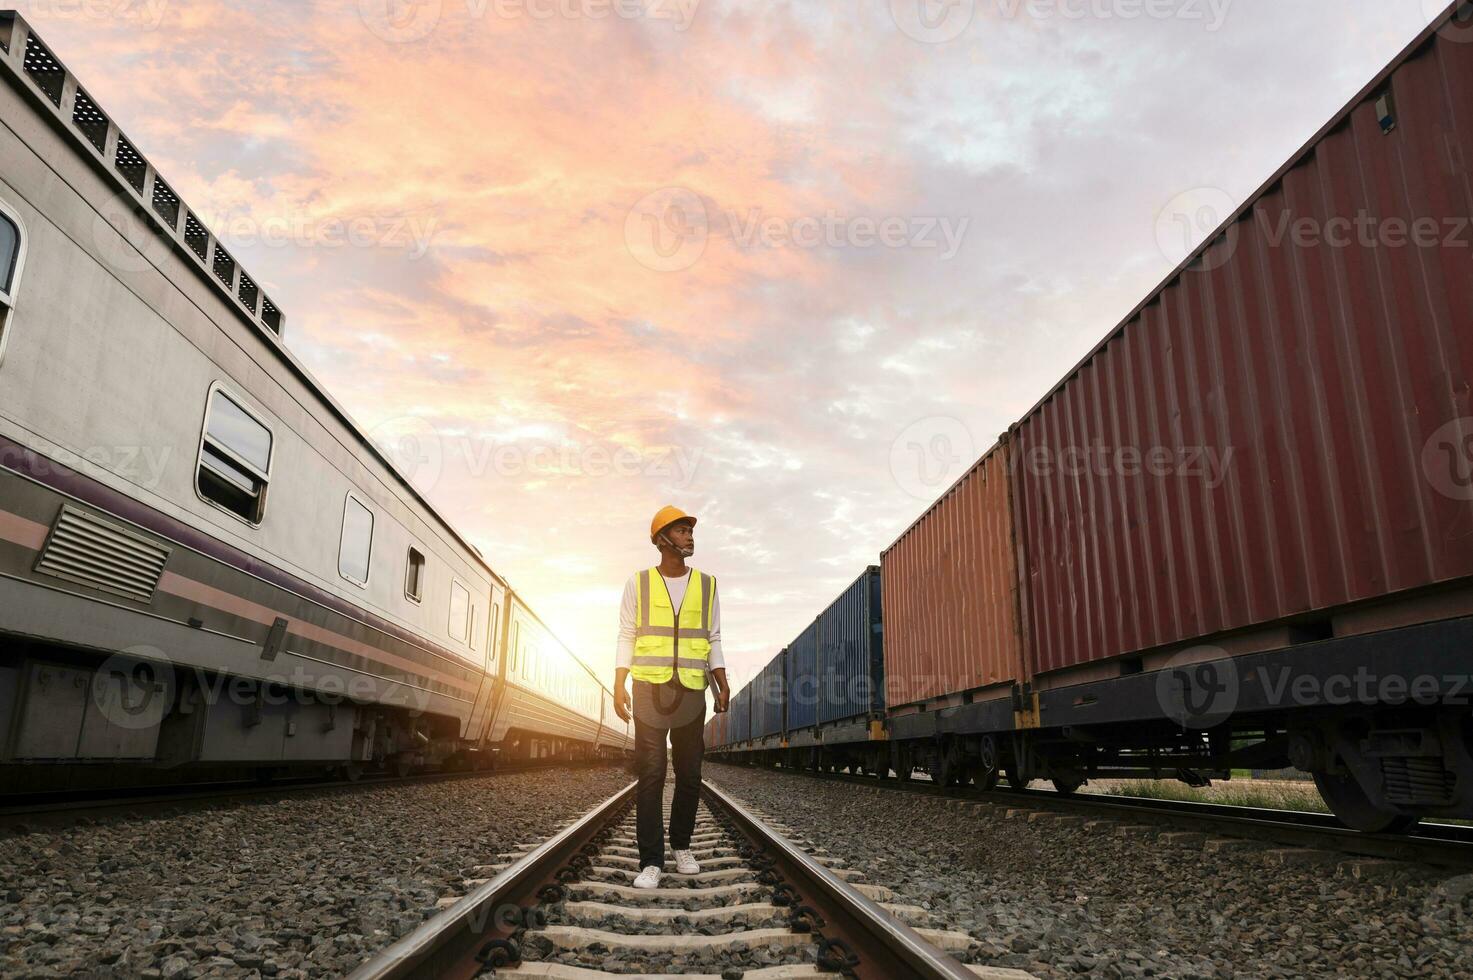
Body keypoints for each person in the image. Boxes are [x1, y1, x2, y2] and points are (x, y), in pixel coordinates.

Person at [613, 505, 730, 889]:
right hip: (648, 686)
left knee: (690, 773)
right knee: (651, 774)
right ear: (662, 539)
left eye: (690, 531)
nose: (689, 536)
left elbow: (712, 637)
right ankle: (651, 862)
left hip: (691, 689)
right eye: (681, 531)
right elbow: (626, 635)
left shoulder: (708, 584)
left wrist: (721, 679)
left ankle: (681, 845)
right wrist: (619, 682)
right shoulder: (639, 583)